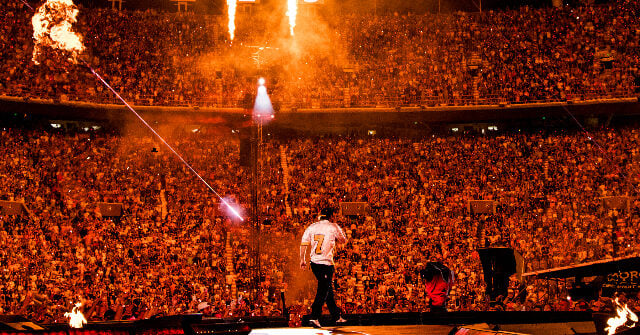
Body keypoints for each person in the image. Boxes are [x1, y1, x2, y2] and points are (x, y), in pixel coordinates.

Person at [300, 207, 348, 328]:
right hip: (325, 263)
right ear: (331, 216)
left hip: (314, 263)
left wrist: (302, 259)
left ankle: (337, 316)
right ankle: (315, 317)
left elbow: (304, 244)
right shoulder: (333, 226)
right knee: (323, 289)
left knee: (327, 288)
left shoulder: (312, 226)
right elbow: (343, 240)